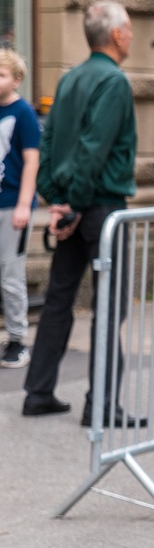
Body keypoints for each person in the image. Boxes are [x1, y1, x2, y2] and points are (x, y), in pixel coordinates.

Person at [23, 2, 144, 425]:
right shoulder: (113, 82)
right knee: (109, 306)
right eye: (127, 28)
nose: (131, 35)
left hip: (75, 203)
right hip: (100, 206)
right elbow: (94, 149)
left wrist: (57, 198)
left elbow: (51, 139)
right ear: (115, 35)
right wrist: (72, 203)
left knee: (59, 299)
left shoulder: (71, 77)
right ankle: (103, 405)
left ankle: (38, 391)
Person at [0, 49, 40, 369]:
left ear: (16, 80)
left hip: (12, 205)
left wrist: (24, 204)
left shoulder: (23, 113)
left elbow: (31, 161)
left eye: (1, 75)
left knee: (10, 274)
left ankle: (17, 339)